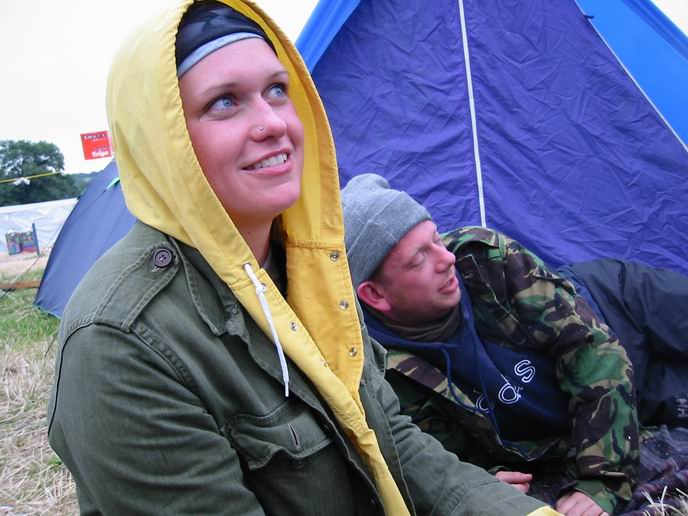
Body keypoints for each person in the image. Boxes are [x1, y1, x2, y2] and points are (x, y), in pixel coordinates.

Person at [46, 2, 557, 514]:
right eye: (224, 102)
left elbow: (391, 440)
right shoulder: (122, 343)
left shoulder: (309, 270)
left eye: (277, 90)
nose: (273, 123)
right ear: (160, 140)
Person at [341, 173, 688, 516]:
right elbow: (432, 453)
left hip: (616, 305)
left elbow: (592, 351)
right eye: (419, 259)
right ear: (375, 295)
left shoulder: (484, 258)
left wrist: (603, 479)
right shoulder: (375, 368)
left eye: (436, 238)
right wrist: (482, 483)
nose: (446, 259)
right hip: (616, 400)